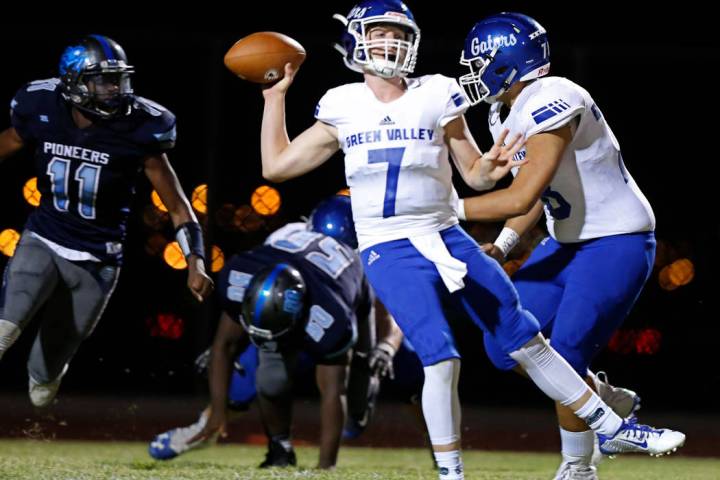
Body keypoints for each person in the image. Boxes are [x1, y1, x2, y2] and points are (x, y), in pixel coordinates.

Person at [256, 1, 685, 478]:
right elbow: (276, 167)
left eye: (400, 35)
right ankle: (593, 409)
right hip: (436, 242)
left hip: (607, 238)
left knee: (536, 339)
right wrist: (275, 99)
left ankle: (584, 457)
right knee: (481, 351)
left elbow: (508, 189)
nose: (391, 45)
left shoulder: (506, 94)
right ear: (355, 40)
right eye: (379, 34)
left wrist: (449, 206)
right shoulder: (490, 114)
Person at [454, 12, 668, 479]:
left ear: (507, 62)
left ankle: (578, 467)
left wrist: (444, 209)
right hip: (566, 242)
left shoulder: (557, 95)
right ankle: (602, 399)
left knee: (566, 354)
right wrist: (507, 243)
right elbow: (540, 194)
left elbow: (523, 193)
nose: (471, 72)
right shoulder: (500, 112)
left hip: (617, 240)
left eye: (479, 62)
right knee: (504, 345)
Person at [0, 35, 213, 407]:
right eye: (103, 80)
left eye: (118, 79)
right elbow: (10, 141)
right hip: (44, 239)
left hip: (99, 257)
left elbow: (178, 205)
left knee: (42, 386)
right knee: (5, 329)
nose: (115, 89)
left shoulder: (141, 127)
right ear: (73, 83)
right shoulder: (41, 105)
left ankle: (46, 377)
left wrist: (196, 261)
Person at [149, 195, 404, 469]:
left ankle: (368, 413)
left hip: (335, 311)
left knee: (354, 403)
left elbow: (336, 387)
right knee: (267, 379)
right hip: (292, 302)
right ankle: (260, 441)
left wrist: (385, 348)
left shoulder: (343, 295)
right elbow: (229, 338)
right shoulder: (256, 264)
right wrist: (224, 347)